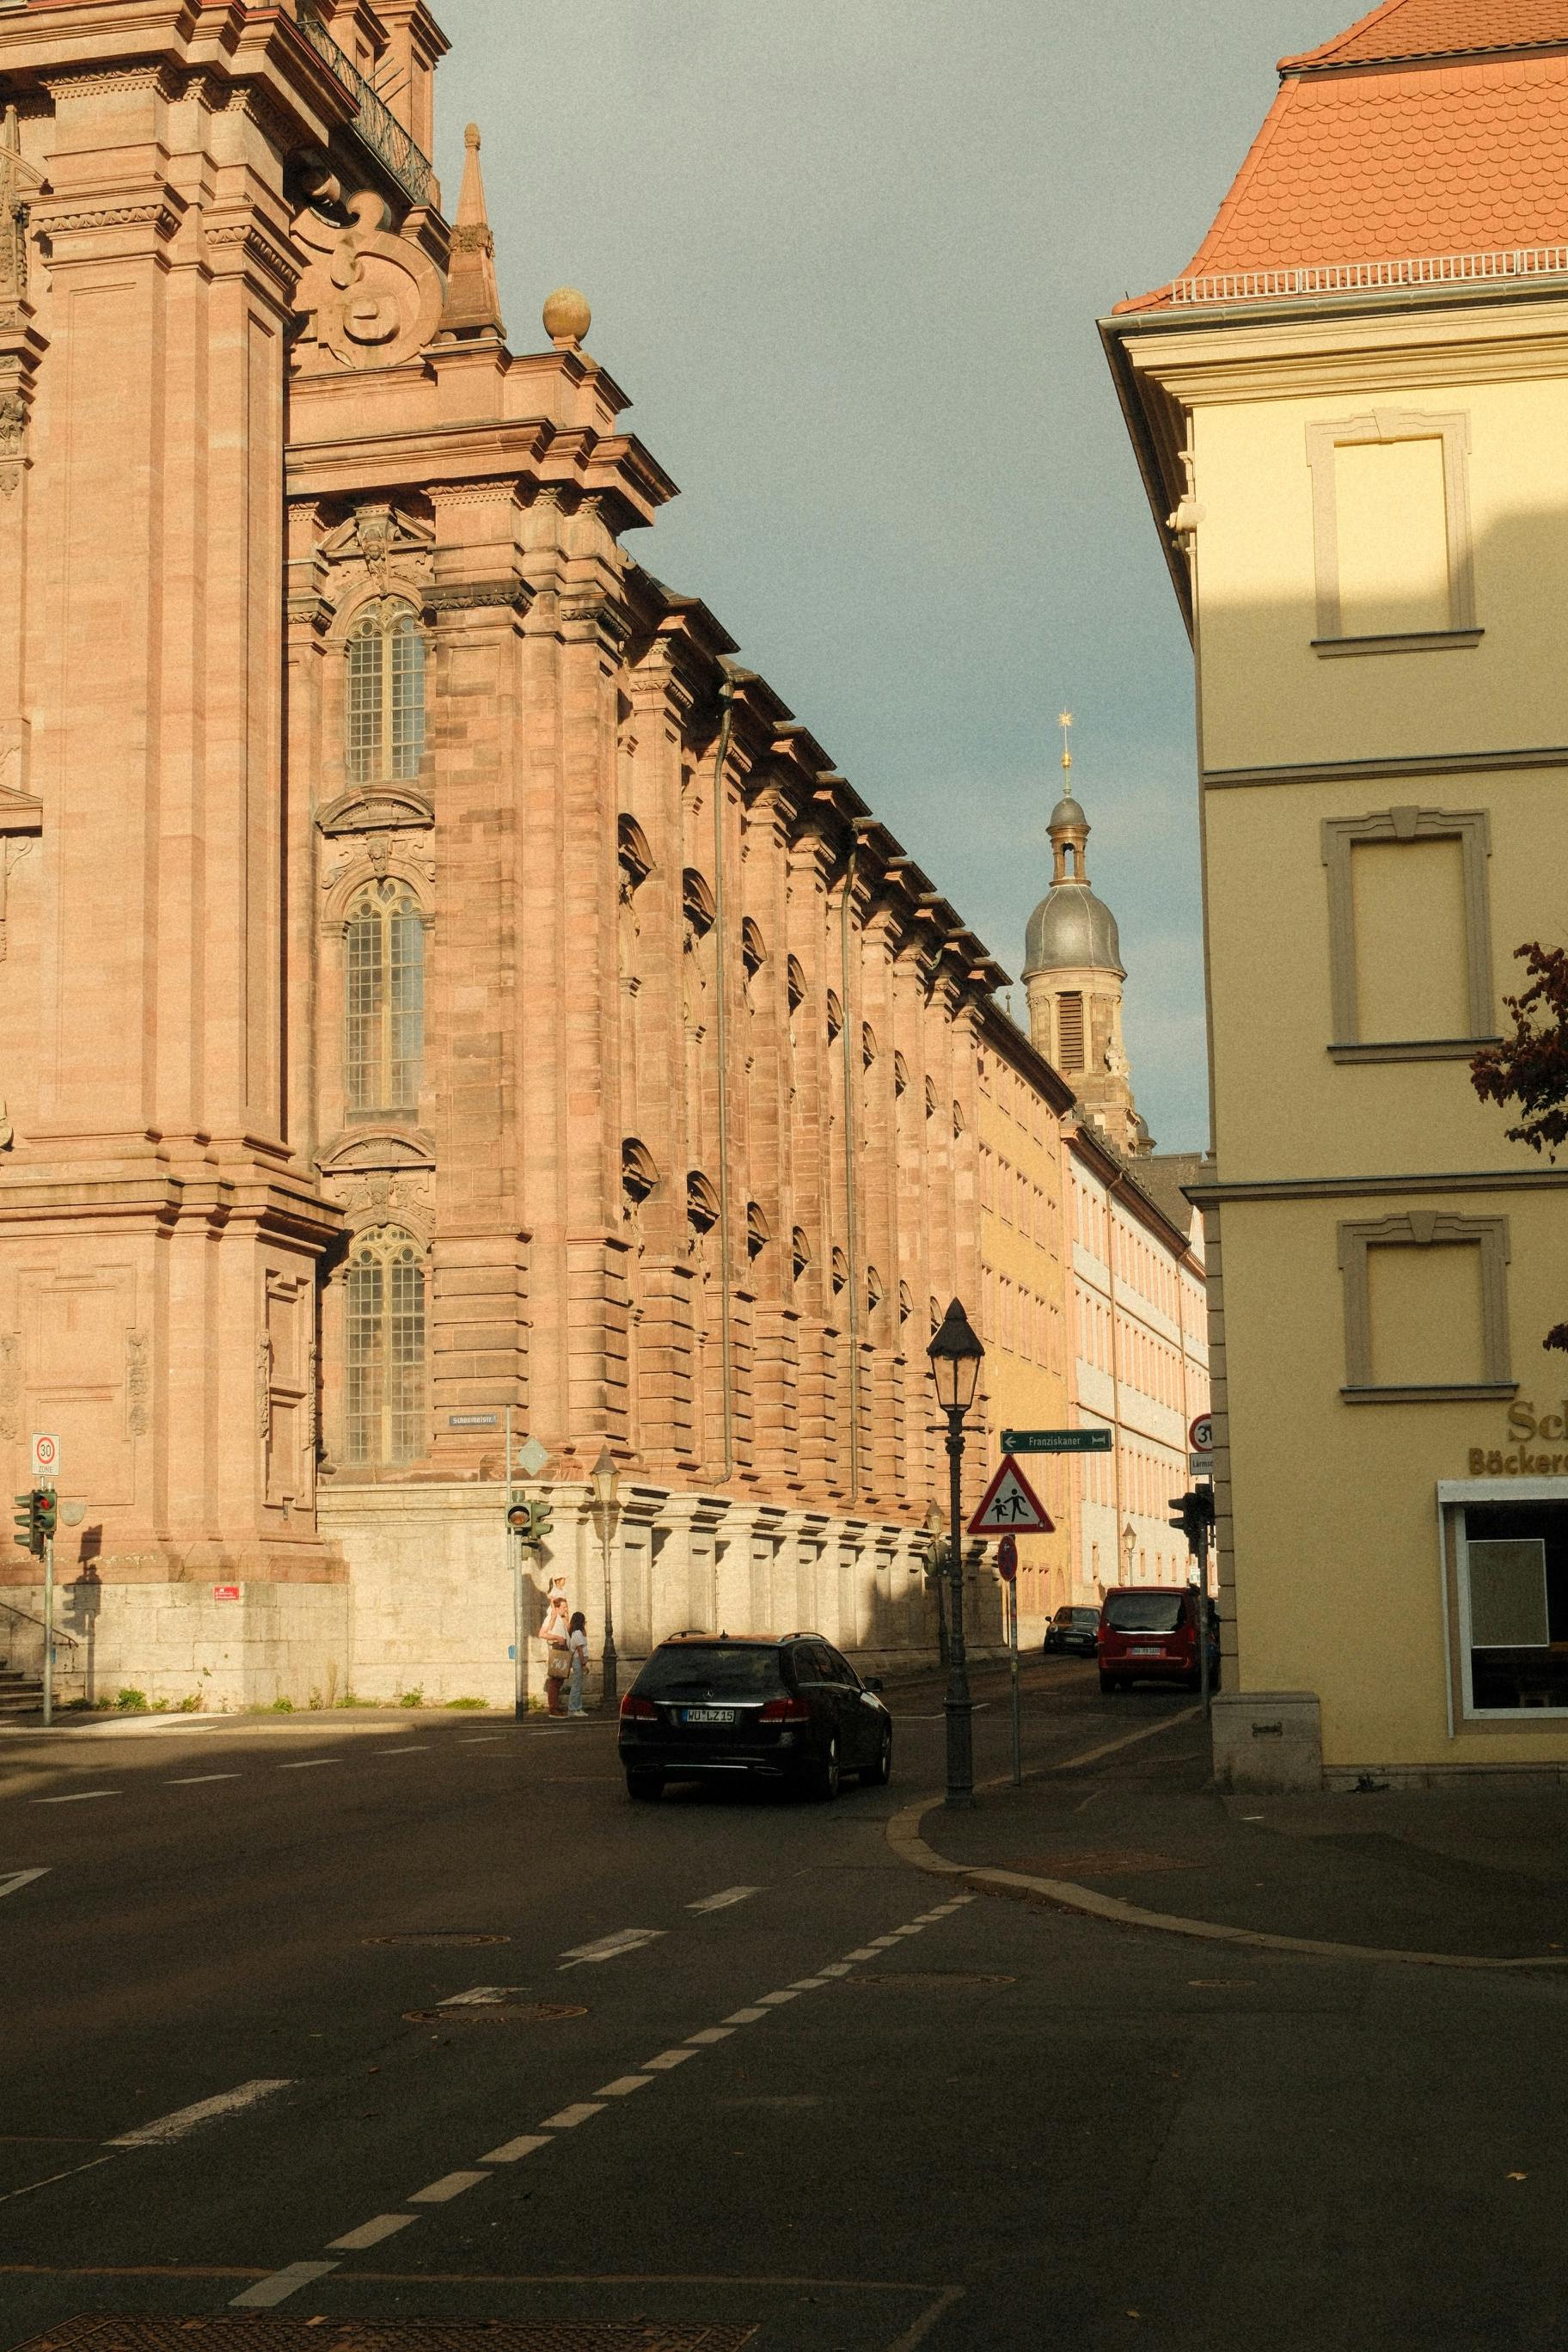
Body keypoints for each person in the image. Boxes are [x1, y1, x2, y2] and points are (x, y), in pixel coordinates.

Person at [539, 1583, 570, 1716]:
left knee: (560, 1679)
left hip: (563, 1649)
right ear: (556, 1608)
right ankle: (553, 1708)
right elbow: (542, 1634)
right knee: (555, 1679)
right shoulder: (551, 1617)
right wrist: (558, 1637)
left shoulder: (560, 1619)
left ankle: (556, 1706)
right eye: (563, 1607)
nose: (566, 1609)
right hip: (557, 1648)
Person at [566, 1608, 590, 1717]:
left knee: (579, 1686)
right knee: (576, 1686)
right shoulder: (577, 1633)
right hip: (578, 1661)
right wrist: (583, 1664)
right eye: (584, 1621)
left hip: (580, 1661)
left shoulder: (579, 1632)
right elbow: (579, 1650)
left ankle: (578, 1708)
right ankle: (572, 1709)